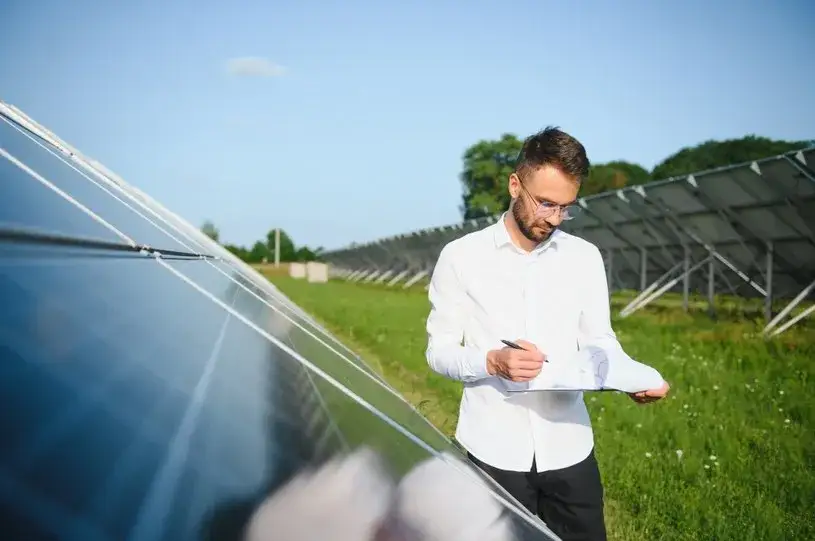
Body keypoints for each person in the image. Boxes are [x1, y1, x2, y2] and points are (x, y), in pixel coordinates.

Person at [424, 126, 670, 541]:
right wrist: (490, 361)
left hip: (569, 446)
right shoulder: (461, 257)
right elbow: (439, 351)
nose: (553, 219)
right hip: (493, 449)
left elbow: (601, 340)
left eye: (566, 207)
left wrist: (629, 377)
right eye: (545, 204)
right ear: (515, 184)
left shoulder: (585, 258)